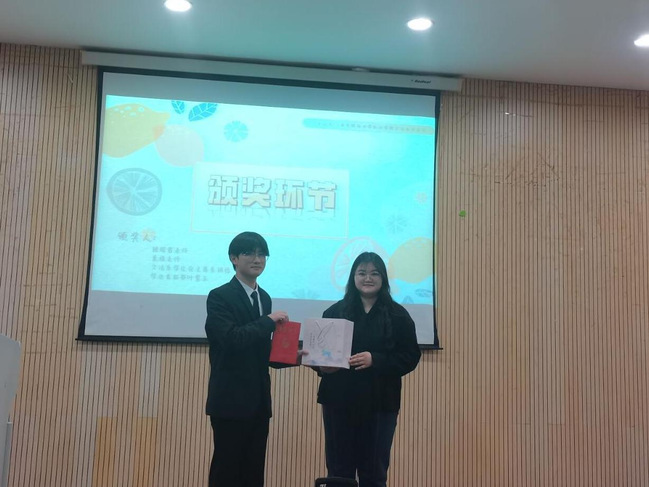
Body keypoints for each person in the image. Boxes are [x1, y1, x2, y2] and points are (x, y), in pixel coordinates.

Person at [315, 252, 421, 487]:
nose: (368, 278)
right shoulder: (334, 312)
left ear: (383, 278)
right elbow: (321, 356)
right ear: (353, 277)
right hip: (338, 401)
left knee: (374, 472)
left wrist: (376, 360)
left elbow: (410, 356)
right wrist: (322, 367)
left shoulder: (398, 316)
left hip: (380, 403)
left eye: (375, 273)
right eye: (362, 273)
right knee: (339, 470)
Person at [205, 231, 290, 487]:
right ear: (233, 258)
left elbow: (260, 349)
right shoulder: (219, 296)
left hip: (259, 401)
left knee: (253, 471)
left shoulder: (264, 298)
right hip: (230, 400)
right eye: (249, 253)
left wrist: (290, 356)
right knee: (227, 471)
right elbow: (232, 339)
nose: (257, 259)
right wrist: (268, 321)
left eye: (262, 254)